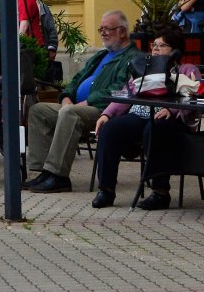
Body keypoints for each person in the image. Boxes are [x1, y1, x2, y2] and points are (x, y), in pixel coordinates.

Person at [23, 10, 136, 192]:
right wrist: (66, 97)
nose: (103, 33)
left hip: (103, 111)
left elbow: (119, 90)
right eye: (101, 29)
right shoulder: (100, 55)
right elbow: (76, 79)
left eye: (108, 29)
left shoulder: (132, 58)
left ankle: (58, 176)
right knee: (39, 110)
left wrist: (84, 103)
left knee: (69, 113)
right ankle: (43, 171)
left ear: (122, 31)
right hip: (76, 106)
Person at [91, 26, 200, 211]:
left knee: (155, 128)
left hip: (169, 119)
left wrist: (172, 109)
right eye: (154, 45)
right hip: (139, 114)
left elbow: (193, 94)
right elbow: (127, 94)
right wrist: (106, 114)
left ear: (175, 50)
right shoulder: (144, 69)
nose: (155, 49)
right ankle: (106, 190)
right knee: (110, 130)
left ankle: (160, 192)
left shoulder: (186, 69)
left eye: (162, 45)